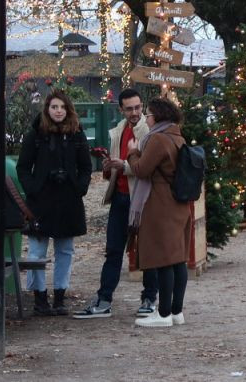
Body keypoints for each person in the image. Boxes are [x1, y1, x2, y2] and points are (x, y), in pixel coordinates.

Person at [74, 88, 158, 319]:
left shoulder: (149, 131)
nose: (134, 112)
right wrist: (110, 168)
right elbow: (118, 165)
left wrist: (125, 166)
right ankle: (104, 299)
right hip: (120, 196)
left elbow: (149, 167)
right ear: (121, 109)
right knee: (113, 250)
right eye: (129, 108)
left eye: (138, 108)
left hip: (141, 198)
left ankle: (150, 297)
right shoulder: (119, 131)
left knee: (146, 250)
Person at [18, 90, 92, 316]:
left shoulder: (77, 135)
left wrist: (79, 187)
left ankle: (60, 295)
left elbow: (86, 166)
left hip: (68, 198)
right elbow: (23, 167)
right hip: (42, 201)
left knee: (65, 249)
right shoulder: (36, 135)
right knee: (37, 251)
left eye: (62, 107)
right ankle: (39, 296)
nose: (58, 111)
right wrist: (34, 188)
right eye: (54, 107)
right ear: (47, 110)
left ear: (67, 110)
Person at [124, 97, 193, 328]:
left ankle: (163, 314)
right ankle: (176, 312)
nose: (146, 118)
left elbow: (142, 170)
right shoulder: (177, 136)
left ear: (158, 116)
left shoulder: (158, 139)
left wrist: (132, 152)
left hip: (160, 204)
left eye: (149, 114)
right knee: (178, 259)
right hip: (179, 203)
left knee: (165, 260)